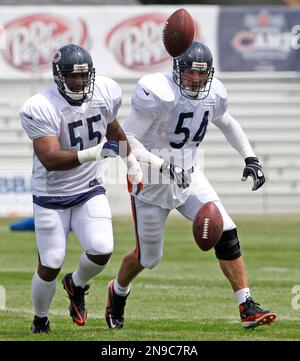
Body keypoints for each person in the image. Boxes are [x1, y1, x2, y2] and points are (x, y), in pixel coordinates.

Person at [104, 41, 276, 330]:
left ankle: (246, 306)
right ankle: (117, 291)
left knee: (227, 232)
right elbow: (127, 140)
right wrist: (163, 165)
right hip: (152, 179)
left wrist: (251, 158)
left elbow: (228, 122)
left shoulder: (213, 94)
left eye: (201, 74)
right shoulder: (158, 92)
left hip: (190, 175)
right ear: (176, 70)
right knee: (148, 257)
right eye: (190, 73)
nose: (196, 80)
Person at [20, 44, 143, 334]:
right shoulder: (42, 106)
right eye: (71, 77)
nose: (78, 82)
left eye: (83, 76)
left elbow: (112, 129)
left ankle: (75, 284)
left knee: (102, 249)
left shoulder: (102, 92)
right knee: (50, 262)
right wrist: (94, 153)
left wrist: (131, 160)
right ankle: (40, 319)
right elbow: (49, 159)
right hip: (51, 196)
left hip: (88, 189)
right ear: (58, 76)